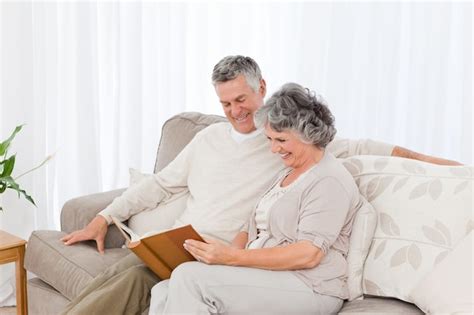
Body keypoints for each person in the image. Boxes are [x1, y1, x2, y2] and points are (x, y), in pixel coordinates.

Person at [60, 56, 461, 315]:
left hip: (289, 277)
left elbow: (309, 251)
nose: (236, 113)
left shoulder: (319, 164)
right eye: (225, 104)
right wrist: (105, 216)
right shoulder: (264, 159)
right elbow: (168, 188)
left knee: (167, 282)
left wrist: (454, 168)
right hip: (210, 252)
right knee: (146, 283)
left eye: (241, 100)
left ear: (261, 89)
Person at [149, 82, 359, 314]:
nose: (274, 149)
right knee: (163, 289)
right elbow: (249, 227)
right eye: (269, 139)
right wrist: (224, 255)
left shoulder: (329, 180)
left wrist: (234, 258)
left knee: (189, 278)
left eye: (281, 140)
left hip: (310, 285)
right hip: (267, 275)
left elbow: (309, 254)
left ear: (308, 135)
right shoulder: (287, 173)